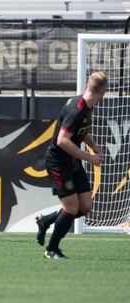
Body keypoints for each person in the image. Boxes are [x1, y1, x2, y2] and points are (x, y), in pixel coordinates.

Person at [35, 72, 107, 259]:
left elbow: (81, 132)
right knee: (71, 208)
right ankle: (51, 250)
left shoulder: (85, 105)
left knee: (85, 206)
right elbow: (62, 140)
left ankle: (46, 221)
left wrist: (95, 147)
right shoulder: (77, 109)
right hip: (58, 163)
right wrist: (90, 158)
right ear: (103, 92)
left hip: (72, 162)